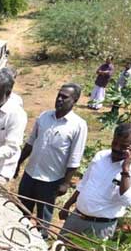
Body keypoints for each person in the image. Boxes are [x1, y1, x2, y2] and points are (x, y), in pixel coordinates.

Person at [57, 122, 131, 251]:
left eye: (123, 146)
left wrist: (126, 169)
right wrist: (68, 205)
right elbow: (84, 183)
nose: (117, 148)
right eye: (115, 142)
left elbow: (127, 200)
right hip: (76, 217)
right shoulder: (100, 156)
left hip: (100, 227)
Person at [16, 83, 88, 237]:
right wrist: (18, 163)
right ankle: (18, 237)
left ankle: (39, 243)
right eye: (59, 95)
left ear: (74, 100)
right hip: (30, 174)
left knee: (43, 218)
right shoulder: (44, 116)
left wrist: (65, 183)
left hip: (51, 180)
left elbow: (75, 157)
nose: (60, 99)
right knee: (21, 211)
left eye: (65, 97)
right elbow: (30, 142)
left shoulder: (78, 125)